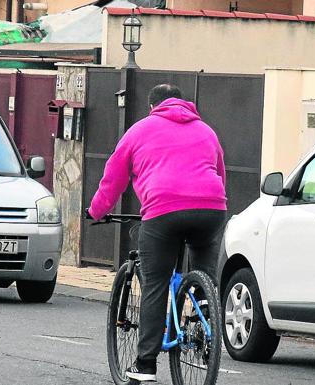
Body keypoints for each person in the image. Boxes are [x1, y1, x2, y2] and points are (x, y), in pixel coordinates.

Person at [88, 84, 227, 382]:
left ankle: (146, 365)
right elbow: (220, 173)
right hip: (212, 207)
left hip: (163, 209)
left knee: (155, 284)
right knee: (205, 273)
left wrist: (96, 211)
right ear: (184, 103)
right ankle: (204, 318)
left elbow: (113, 179)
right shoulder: (206, 131)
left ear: (153, 107)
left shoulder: (140, 130)